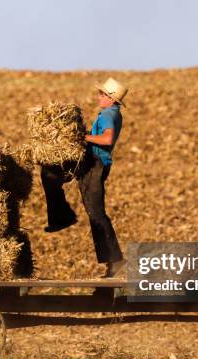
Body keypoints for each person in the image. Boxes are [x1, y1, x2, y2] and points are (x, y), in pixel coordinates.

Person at [41, 77, 128, 278]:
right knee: (50, 173)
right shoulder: (112, 113)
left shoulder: (108, 114)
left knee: (96, 213)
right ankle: (62, 217)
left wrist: (82, 137)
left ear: (111, 99)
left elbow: (106, 139)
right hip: (91, 162)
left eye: (103, 94)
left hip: (94, 164)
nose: (99, 97)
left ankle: (115, 260)